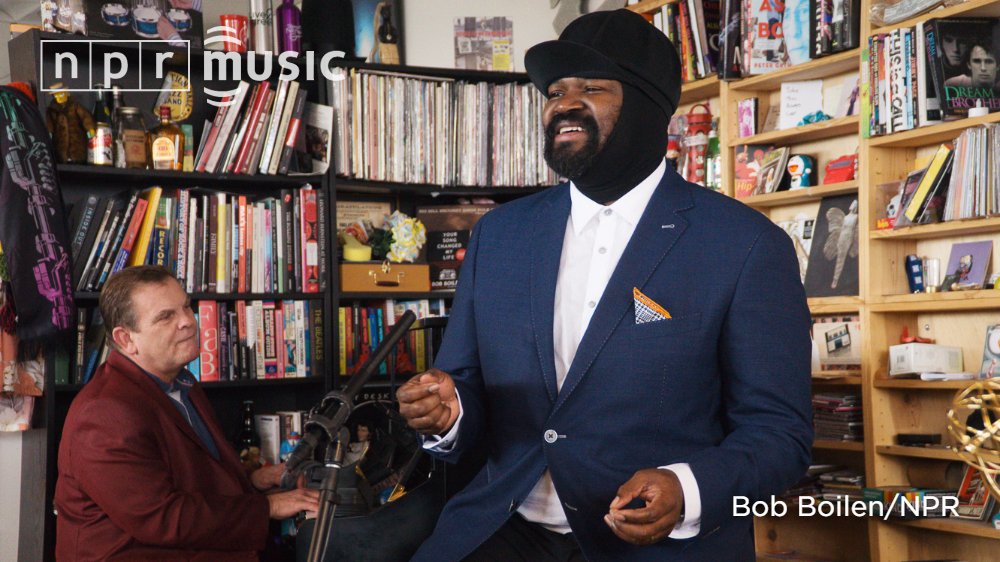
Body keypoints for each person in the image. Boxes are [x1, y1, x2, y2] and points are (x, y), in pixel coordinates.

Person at [397, 9, 812, 561]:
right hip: (504, 526)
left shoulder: (746, 245)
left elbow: (779, 435)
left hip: (654, 544)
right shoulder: (500, 235)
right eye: (554, 91)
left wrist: (686, 489)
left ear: (647, 107)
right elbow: (464, 385)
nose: (564, 104)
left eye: (590, 87)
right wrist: (450, 414)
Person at [55, 265, 319, 561]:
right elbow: (162, 518)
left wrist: (256, 478)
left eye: (186, 307)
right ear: (126, 339)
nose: (188, 322)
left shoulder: (182, 382)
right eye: (166, 317)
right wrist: (270, 507)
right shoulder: (104, 414)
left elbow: (189, 471)